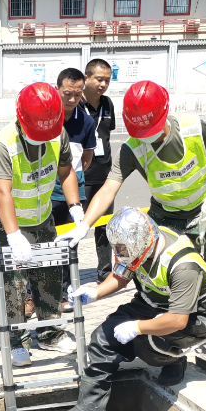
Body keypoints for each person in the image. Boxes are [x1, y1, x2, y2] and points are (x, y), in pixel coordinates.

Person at [61, 80, 206, 357]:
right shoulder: (133, 148)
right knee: (152, 269)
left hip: (205, 213)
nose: (147, 137)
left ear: (164, 113)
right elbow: (109, 187)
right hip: (166, 219)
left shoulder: (193, 127)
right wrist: (85, 225)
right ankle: (171, 326)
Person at [50, 207, 206, 411]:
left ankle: (173, 358)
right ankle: (89, 409)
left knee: (147, 343)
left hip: (195, 316)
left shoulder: (184, 265)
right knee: (103, 337)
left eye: (125, 251)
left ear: (144, 244)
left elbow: (177, 320)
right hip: (153, 303)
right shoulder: (137, 246)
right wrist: (94, 293)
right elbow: (121, 276)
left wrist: (138, 327)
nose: (122, 255)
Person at [0, 82, 83, 367]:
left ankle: (50, 333)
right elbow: (3, 193)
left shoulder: (57, 133)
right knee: (13, 285)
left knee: (50, 277)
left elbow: (65, 172)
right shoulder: (3, 144)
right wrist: (14, 235)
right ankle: (16, 342)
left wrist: (75, 207)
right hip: (10, 223)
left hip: (43, 218)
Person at [49, 68, 96, 311]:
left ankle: (63, 293)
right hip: (46, 192)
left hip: (73, 193)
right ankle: (36, 295)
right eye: (67, 93)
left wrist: (72, 177)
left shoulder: (86, 121)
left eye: (77, 95)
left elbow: (86, 159)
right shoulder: (46, 116)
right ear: (57, 88)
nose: (71, 99)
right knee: (44, 244)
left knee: (68, 246)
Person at [80, 58, 116, 283]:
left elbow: (106, 135)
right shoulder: (75, 104)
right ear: (86, 78)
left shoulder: (108, 104)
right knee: (75, 226)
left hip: (105, 176)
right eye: (99, 79)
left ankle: (105, 273)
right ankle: (66, 276)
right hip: (80, 176)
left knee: (104, 228)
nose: (103, 84)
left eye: (107, 80)